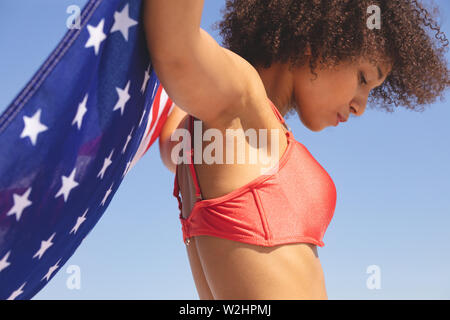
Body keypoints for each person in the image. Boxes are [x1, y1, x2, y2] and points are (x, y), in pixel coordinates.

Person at [143, 0, 449, 299]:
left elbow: (169, 137)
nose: (361, 107)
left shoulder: (202, 130)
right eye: (362, 78)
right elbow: (177, 48)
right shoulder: (239, 102)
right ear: (320, 38)